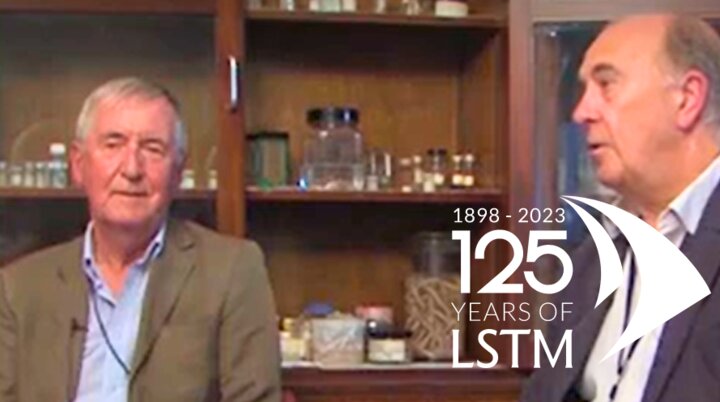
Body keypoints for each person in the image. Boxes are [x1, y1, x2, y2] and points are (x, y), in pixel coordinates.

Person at [0, 77, 281, 402]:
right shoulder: (18, 288)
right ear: (78, 165)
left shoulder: (232, 271)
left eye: (152, 148)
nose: (132, 169)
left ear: (177, 173)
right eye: (113, 144)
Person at [521, 14, 720, 402]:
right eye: (584, 89)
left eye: (606, 84)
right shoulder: (593, 255)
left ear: (687, 98)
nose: (581, 112)